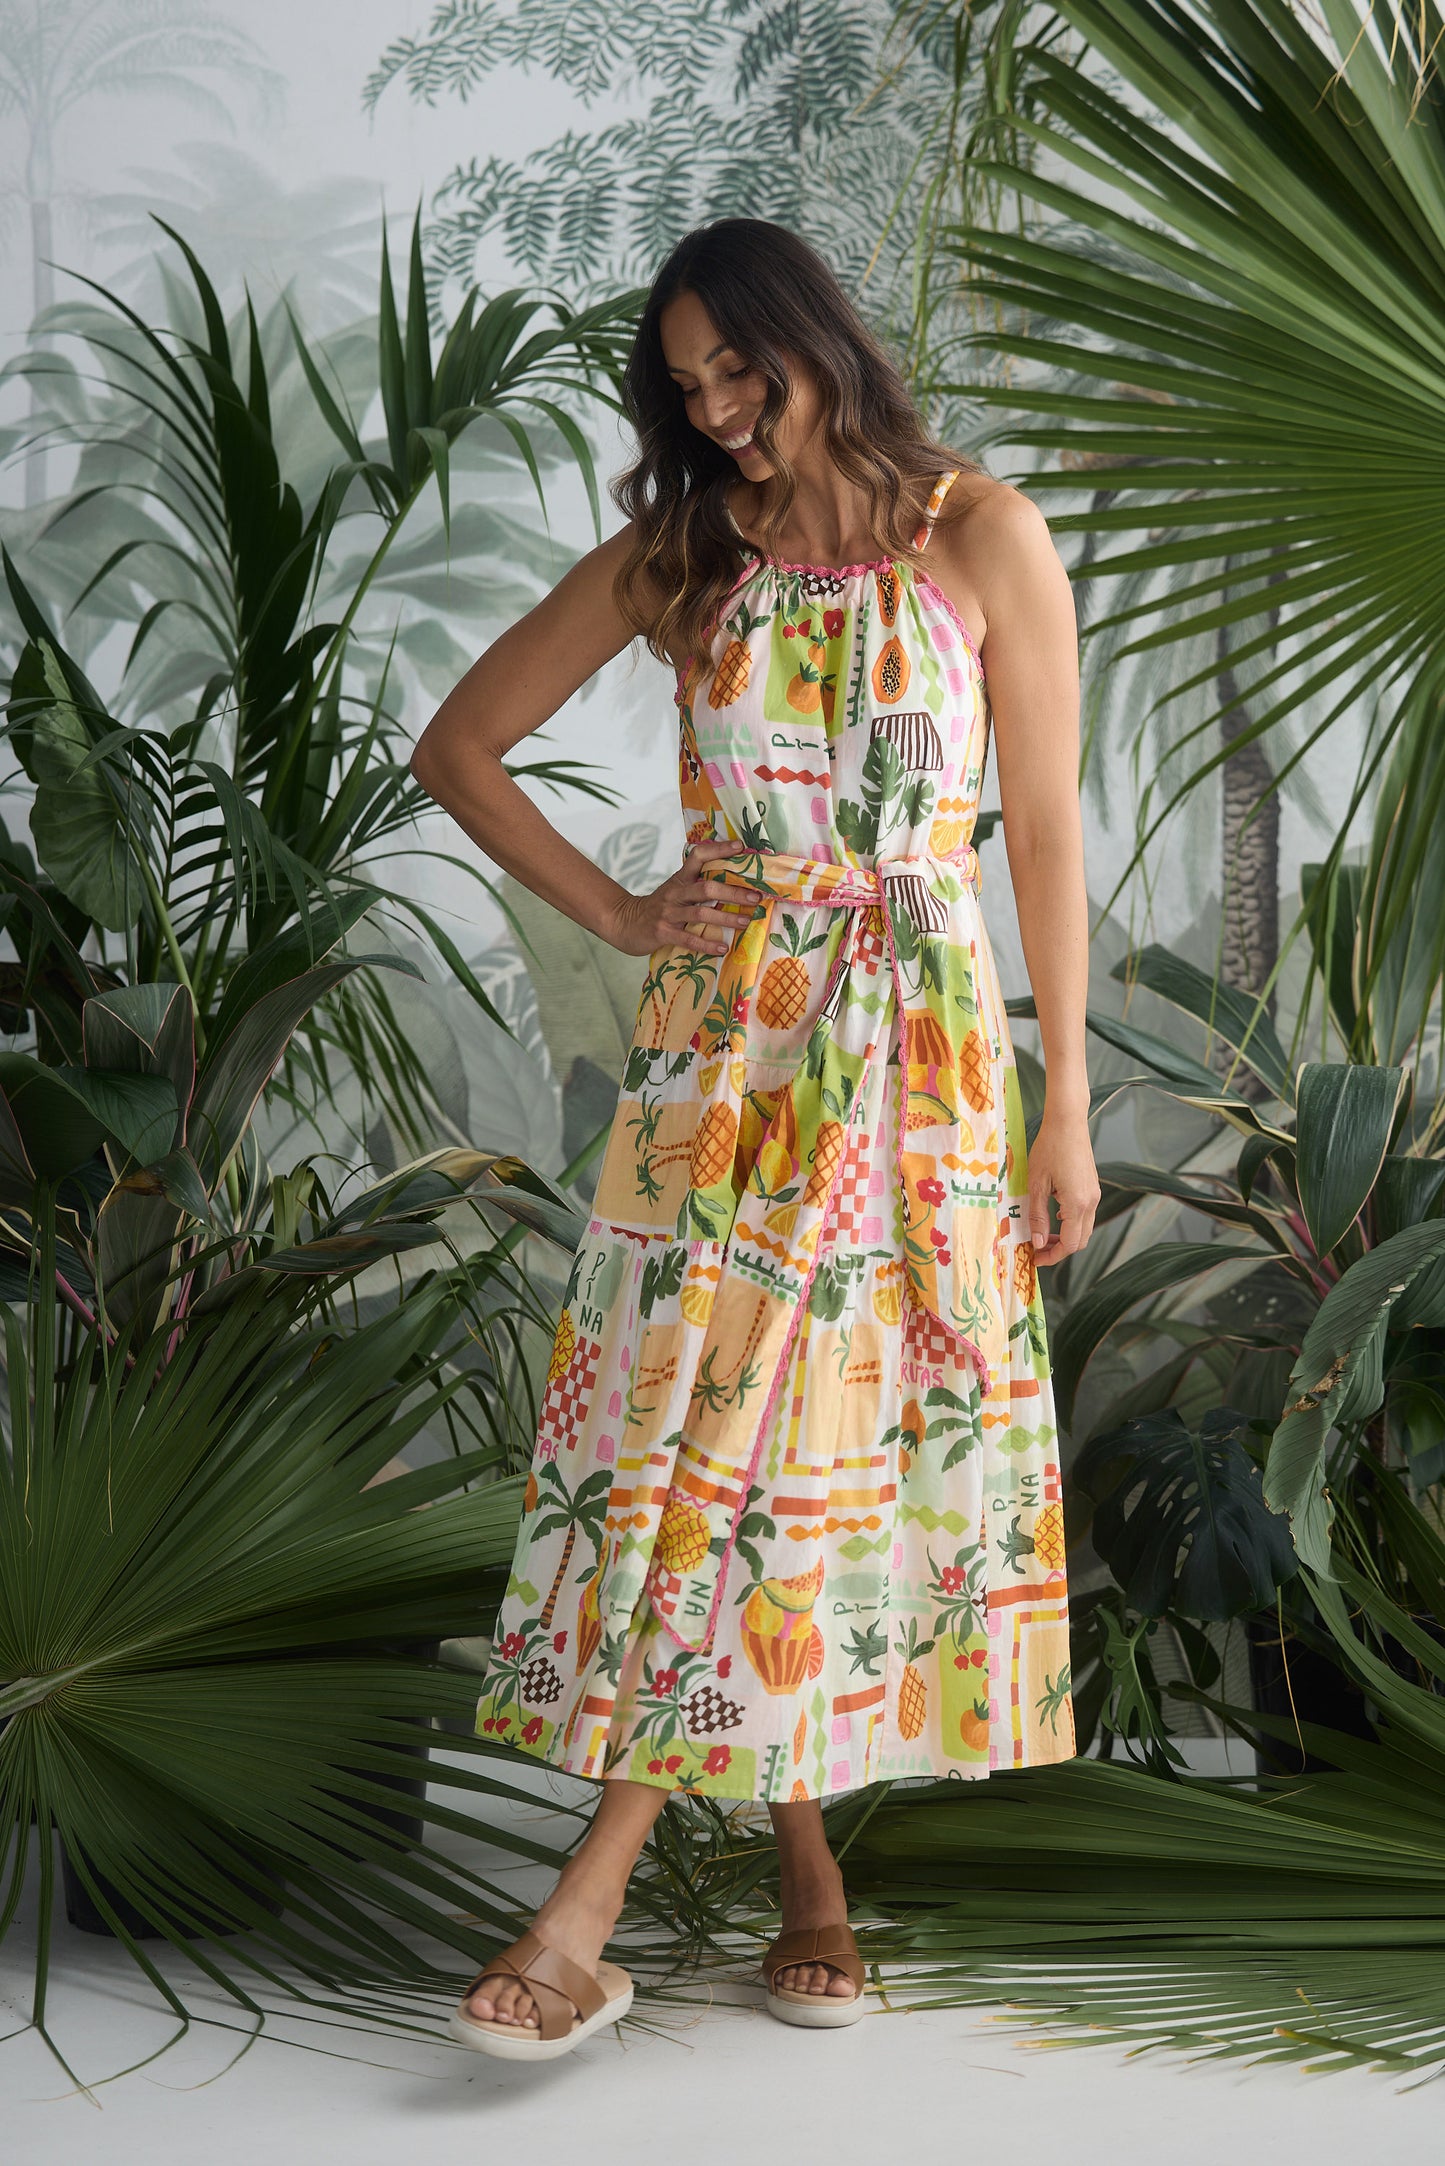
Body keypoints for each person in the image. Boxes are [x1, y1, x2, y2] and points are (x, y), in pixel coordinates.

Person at [410, 216, 1099, 2059]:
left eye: (742, 369)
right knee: (715, 1436)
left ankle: (606, 1899)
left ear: (820, 342)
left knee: (805, 1445)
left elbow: (1041, 834)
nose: (715, 409)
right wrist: (630, 914)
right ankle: (773, 1876)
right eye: (687, 383)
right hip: (722, 1058)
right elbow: (457, 744)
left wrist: (1070, 1110)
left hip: (921, 1055)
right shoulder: (685, 552)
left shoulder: (980, 533)